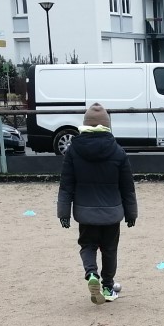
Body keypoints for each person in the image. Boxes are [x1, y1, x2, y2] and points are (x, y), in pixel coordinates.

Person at [57, 103, 138, 304]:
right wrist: (131, 213)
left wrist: (63, 213)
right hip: (112, 212)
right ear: (107, 125)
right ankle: (108, 287)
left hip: (85, 212)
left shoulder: (73, 150)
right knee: (110, 249)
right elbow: (127, 186)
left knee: (87, 245)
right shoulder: (118, 151)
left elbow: (66, 185)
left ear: (85, 125)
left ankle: (92, 274)